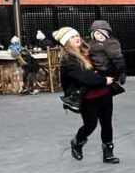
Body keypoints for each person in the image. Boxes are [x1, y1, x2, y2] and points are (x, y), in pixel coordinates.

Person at [53, 27, 118, 164]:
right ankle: (77, 142)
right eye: (72, 37)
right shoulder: (68, 60)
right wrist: (104, 80)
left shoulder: (89, 52)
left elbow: (105, 66)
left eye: (77, 35)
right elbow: (86, 78)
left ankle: (108, 152)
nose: (77, 38)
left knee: (107, 124)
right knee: (90, 125)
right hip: (87, 97)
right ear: (65, 42)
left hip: (104, 93)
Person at [88, 20, 127, 94]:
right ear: (93, 35)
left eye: (104, 33)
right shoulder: (90, 44)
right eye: (98, 33)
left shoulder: (110, 43)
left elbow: (117, 58)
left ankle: (75, 98)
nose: (101, 35)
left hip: (106, 69)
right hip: (95, 69)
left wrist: (122, 71)